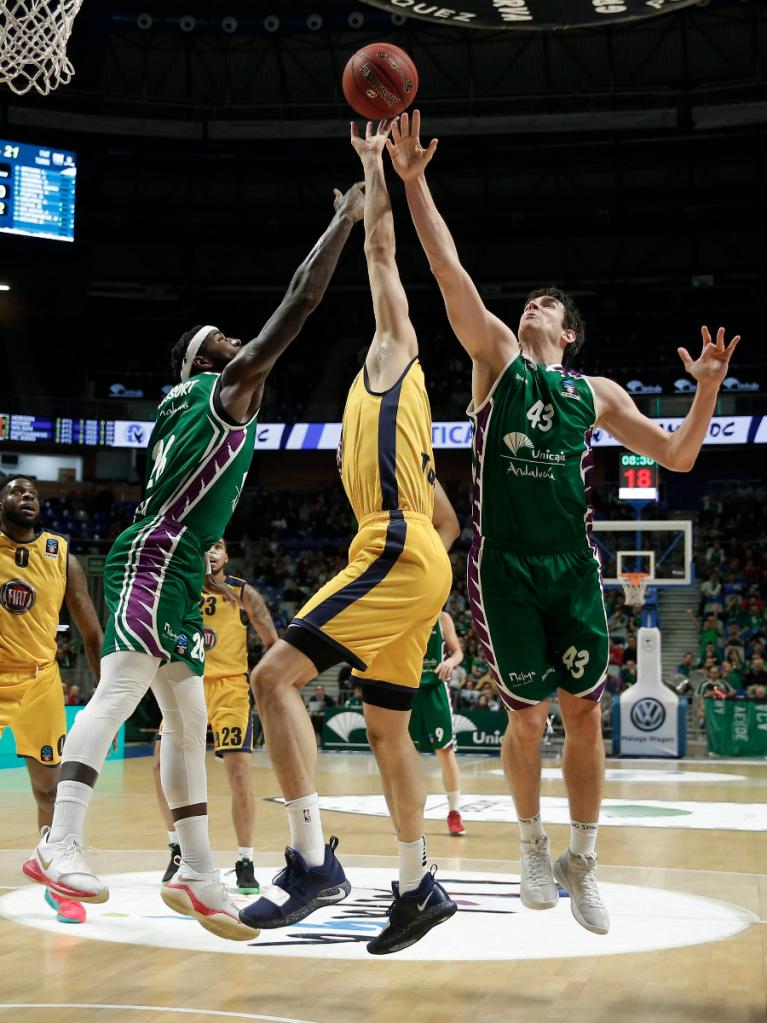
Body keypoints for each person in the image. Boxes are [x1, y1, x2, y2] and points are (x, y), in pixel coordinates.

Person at [387, 108, 741, 936]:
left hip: (571, 562)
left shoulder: (596, 393)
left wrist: (708, 390)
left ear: (569, 333)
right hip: (504, 563)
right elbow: (447, 271)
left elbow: (679, 456)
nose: (533, 304)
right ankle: (532, 843)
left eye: (548, 302)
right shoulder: (495, 360)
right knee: (526, 714)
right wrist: (414, 182)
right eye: (531, 299)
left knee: (583, 712)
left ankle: (582, 855)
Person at [22, 180, 367, 942]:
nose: (237, 342)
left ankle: (196, 869)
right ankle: (61, 840)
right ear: (201, 362)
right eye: (221, 340)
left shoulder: (187, 407)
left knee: (187, 717)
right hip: (157, 554)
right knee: (118, 691)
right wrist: (342, 219)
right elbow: (300, 301)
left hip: (175, 563)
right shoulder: (220, 391)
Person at [242, 120, 459, 956]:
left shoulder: (392, 353)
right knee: (384, 731)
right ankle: (415, 885)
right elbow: (448, 516)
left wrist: (373, 171)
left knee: (273, 677)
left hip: (394, 548)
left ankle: (309, 860)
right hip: (413, 552)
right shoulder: (373, 421)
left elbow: (380, 261)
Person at [0, 477, 103, 925]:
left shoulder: (62, 557)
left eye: (33, 494)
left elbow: (91, 631)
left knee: (50, 788)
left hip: (41, 681)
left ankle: (57, 879)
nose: (27, 497)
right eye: (16, 491)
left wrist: (105, 698)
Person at [153, 537, 278, 894]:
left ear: (228, 554)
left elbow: (273, 644)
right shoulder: (180, 586)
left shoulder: (244, 594)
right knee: (161, 765)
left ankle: (245, 860)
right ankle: (177, 849)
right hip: (185, 679)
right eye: (208, 545)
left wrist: (262, 685)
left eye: (220, 545)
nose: (213, 550)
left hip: (230, 688)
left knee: (238, 773)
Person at [408, 609, 466, 835]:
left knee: (445, 751)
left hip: (434, 691)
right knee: (408, 755)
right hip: (408, 690)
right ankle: (409, 814)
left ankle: (454, 813)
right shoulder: (405, 611)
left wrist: (450, 662)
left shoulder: (442, 618)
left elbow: (458, 652)